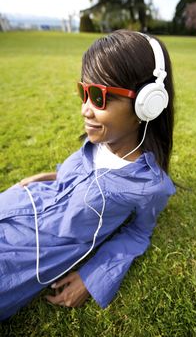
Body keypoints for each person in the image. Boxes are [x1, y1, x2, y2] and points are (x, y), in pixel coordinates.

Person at [0, 29, 176, 320]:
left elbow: (138, 232)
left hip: (29, 254)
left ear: (148, 103)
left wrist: (92, 276)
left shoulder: (148, 185)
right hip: (17, 205)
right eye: (83, 91)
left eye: (98, 96)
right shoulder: (97, 142)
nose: (85, 109)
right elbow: (78, 175)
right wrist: (49, 176)